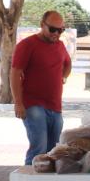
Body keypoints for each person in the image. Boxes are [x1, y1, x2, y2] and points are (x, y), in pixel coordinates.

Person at [13, 11, 72, 164]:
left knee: (54, 152)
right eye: (52, 29)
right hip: (33, 105)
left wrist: (63, 77)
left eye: (60, 30)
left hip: (55, 107)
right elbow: (15, 73)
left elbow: (68, 63)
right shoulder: (27, 45)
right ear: (42, 25)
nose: (56, 33)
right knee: (39, 148)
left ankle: (47, 179)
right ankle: (29, 177)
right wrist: (18, 103)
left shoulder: (60, 45)